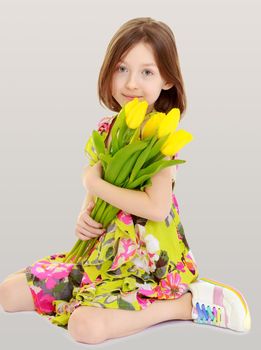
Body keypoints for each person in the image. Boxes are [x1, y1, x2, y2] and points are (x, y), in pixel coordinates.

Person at [0, 17, 251, 344]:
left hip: (148, 265)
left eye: (147, 72)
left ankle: (183, 304)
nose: (131, 83)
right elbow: (95, 197)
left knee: (84, 328)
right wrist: (84, 216)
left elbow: (157, 209)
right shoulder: (108, 130)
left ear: (167, 81)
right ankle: (90, 294)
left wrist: (94, 184)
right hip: (100, 257)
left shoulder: (161, 137)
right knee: (8, 294)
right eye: (122, 69)